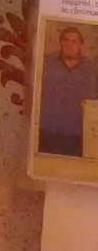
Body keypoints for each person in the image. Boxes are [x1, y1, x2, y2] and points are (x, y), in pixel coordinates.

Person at [38, 25, 98, 156]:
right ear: (60, 43)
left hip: (75, 135)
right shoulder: (46, 63)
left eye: (74, 41)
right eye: (66, 40)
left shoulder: (91, 69)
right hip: (45, 130)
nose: (69, 44)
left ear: (80, 45)